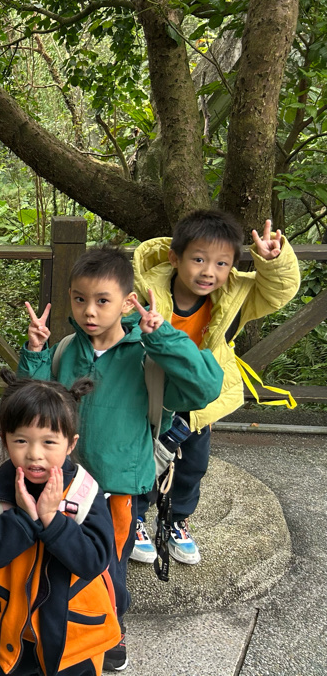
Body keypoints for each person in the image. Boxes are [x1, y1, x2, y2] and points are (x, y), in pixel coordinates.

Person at [18, 245, 223, 671]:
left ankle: (111, 631)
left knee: (108, 568)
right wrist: (37, 353)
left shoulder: (147, 354)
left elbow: (205, 389)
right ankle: (64, 626)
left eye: (102, 300)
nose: (89, 311)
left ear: (128, 302)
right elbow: (34, 405)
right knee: (59, 558)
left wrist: (164, 337)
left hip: (117, 490)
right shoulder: (66, 350)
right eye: (80, 299)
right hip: (65, 483)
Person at [131, 212, 300, 565]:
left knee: (193, 464)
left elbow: (278, 292)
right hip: (150, 390)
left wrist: (272, 261)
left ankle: (176, 520)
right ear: (175, 258)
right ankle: (134, 519)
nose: (209, 271)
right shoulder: (144, 289)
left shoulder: (235, 293)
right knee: (142, 456)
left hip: (200, 394)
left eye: (222, 263)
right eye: (198, 259)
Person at [0, 370, 121, 676]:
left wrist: (52, 520)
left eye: (49, 442)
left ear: (71, 443)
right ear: (5, 440)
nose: (34, 454)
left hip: (72, 633)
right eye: (21, 440)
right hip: (11, 633)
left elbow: (93, 562)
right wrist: (24, 517)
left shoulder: (85, 493)